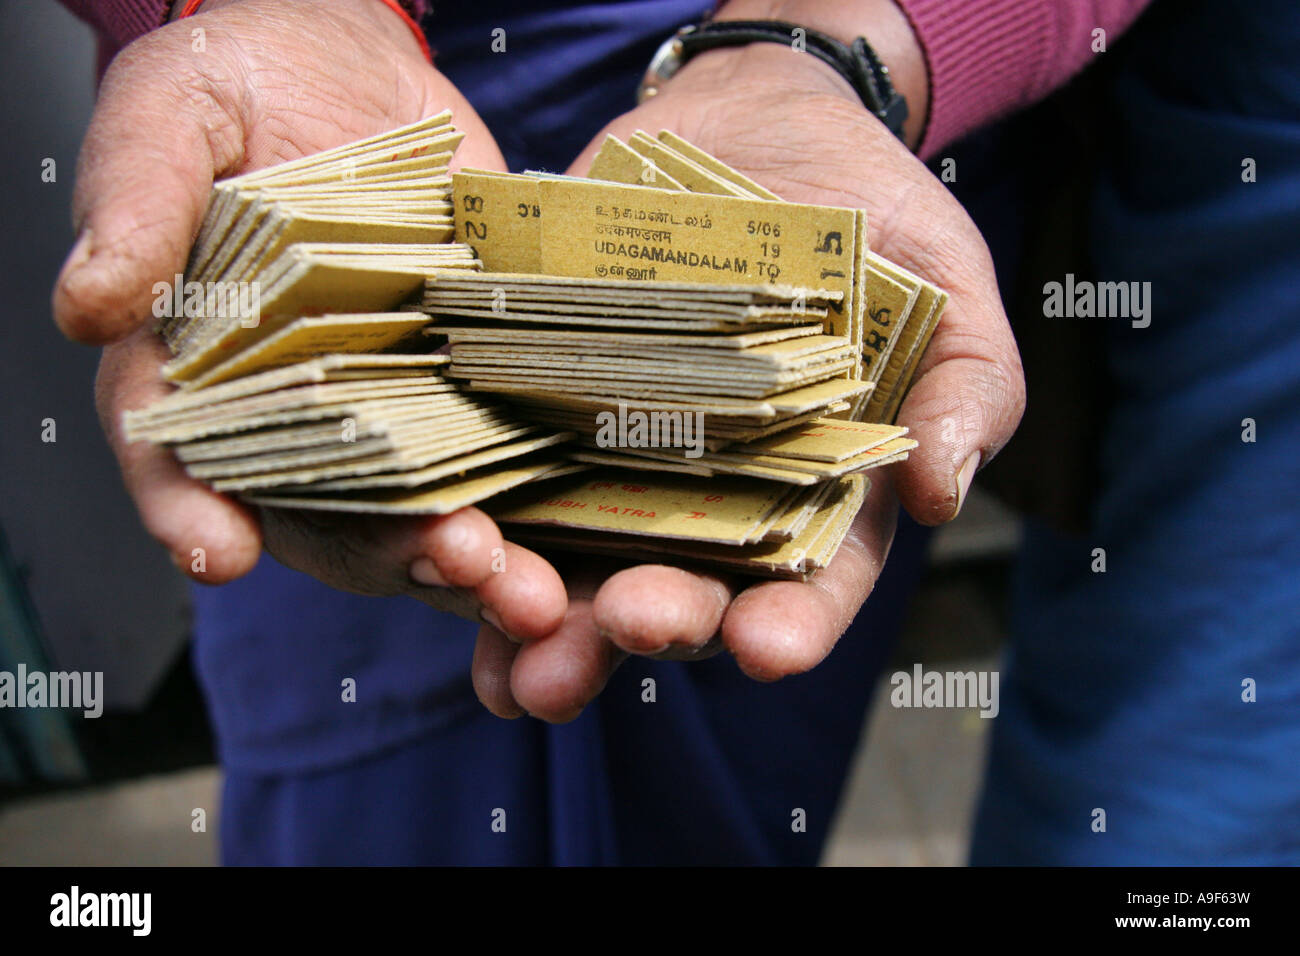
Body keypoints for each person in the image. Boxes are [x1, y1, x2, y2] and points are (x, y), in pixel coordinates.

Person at [68, 0, 1297, 866]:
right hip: (403, 113)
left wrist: (848, 42)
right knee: (384, 775)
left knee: (717, 777)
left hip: (876, 99)